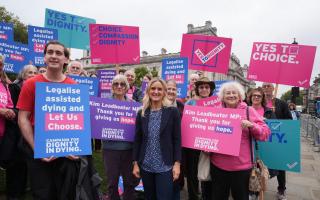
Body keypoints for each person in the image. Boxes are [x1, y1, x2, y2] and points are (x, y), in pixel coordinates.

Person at [17, 41, 80, 200]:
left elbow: (77, 120)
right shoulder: (31, 84)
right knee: (43, 193)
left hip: (65, 148)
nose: (54, 56)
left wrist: (75, 147)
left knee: (65, 192)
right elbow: (23, 118)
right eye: (50, 52)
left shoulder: (73, 85)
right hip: (37, 143)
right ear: (44, 57)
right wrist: (37, 148)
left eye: (59, 53)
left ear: (66, 59)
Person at [211, 82, 270, 200]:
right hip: (218, 166)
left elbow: (265, 133)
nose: (231, 95)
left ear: (240, 96)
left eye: (234, 93)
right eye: (228, 93)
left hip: (241, 168)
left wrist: (252, 125)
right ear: (223, 96)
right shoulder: (215, 111)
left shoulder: (249, 110)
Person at [133, 78, 181, 200]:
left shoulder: (172, 111)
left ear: (164, 92)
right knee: (149, 197)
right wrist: (135, 163)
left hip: (165, 166)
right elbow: (137, 139)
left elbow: (177, 139)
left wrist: (177, 164)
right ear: (148, 91)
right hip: (146, 165)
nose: (156, 91)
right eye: (153, 88)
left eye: (159, 89)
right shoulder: (141, 113)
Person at [4, 64, 38, 199]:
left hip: (31, 132)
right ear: (22, 75)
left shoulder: (39, 88)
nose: (33, 74)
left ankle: (22, 191)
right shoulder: (14, 88)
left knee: (25, 166)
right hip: (16, 134)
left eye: (35, 72)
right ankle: (13, 194)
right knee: (16, 167)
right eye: (29, 72)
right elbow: (10, 108)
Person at [102, 74, 138, 200]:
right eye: (116, 84)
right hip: (110, 149)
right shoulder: (104, 103)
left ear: (127, 87)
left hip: (128, 149)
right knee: (112, 183)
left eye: (122, 84)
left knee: (129, 182)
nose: (119, 86)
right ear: (112, 86)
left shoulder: (133, 105)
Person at [185, 76, 215, 200]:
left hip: (210, 145)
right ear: (197, 89)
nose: (204, 89)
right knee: (192, 174)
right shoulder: (190, 102)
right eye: (201, 87)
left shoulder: (216, 103)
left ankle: (206, 197)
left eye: (206, 87)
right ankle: (193, 196)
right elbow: (185, 122)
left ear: (210, 89)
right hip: (192, 145)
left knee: (207, 174)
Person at [262, 82, 292, 200]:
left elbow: (289, 120)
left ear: (273, 88)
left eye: (268, 86)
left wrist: (275, 117)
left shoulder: (282, 103)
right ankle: (257, 187)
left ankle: (281, 189)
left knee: (280, 165)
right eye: (264, 86)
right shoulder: (259, 102)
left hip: (277, 139)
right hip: (263, 138)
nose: (266, 88)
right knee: (260, 164)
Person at [0, 55, 16, 198]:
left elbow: (10, 104)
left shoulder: (4, 84)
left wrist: (10, 111)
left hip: (2, 133)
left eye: (0, 64)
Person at [166, 79, 185, 200]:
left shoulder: (181, 107)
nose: (171, 91)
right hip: (162, 150)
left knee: (175, 181)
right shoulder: (157, 104)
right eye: (169, 88)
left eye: (174, 89)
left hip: (177, 149)